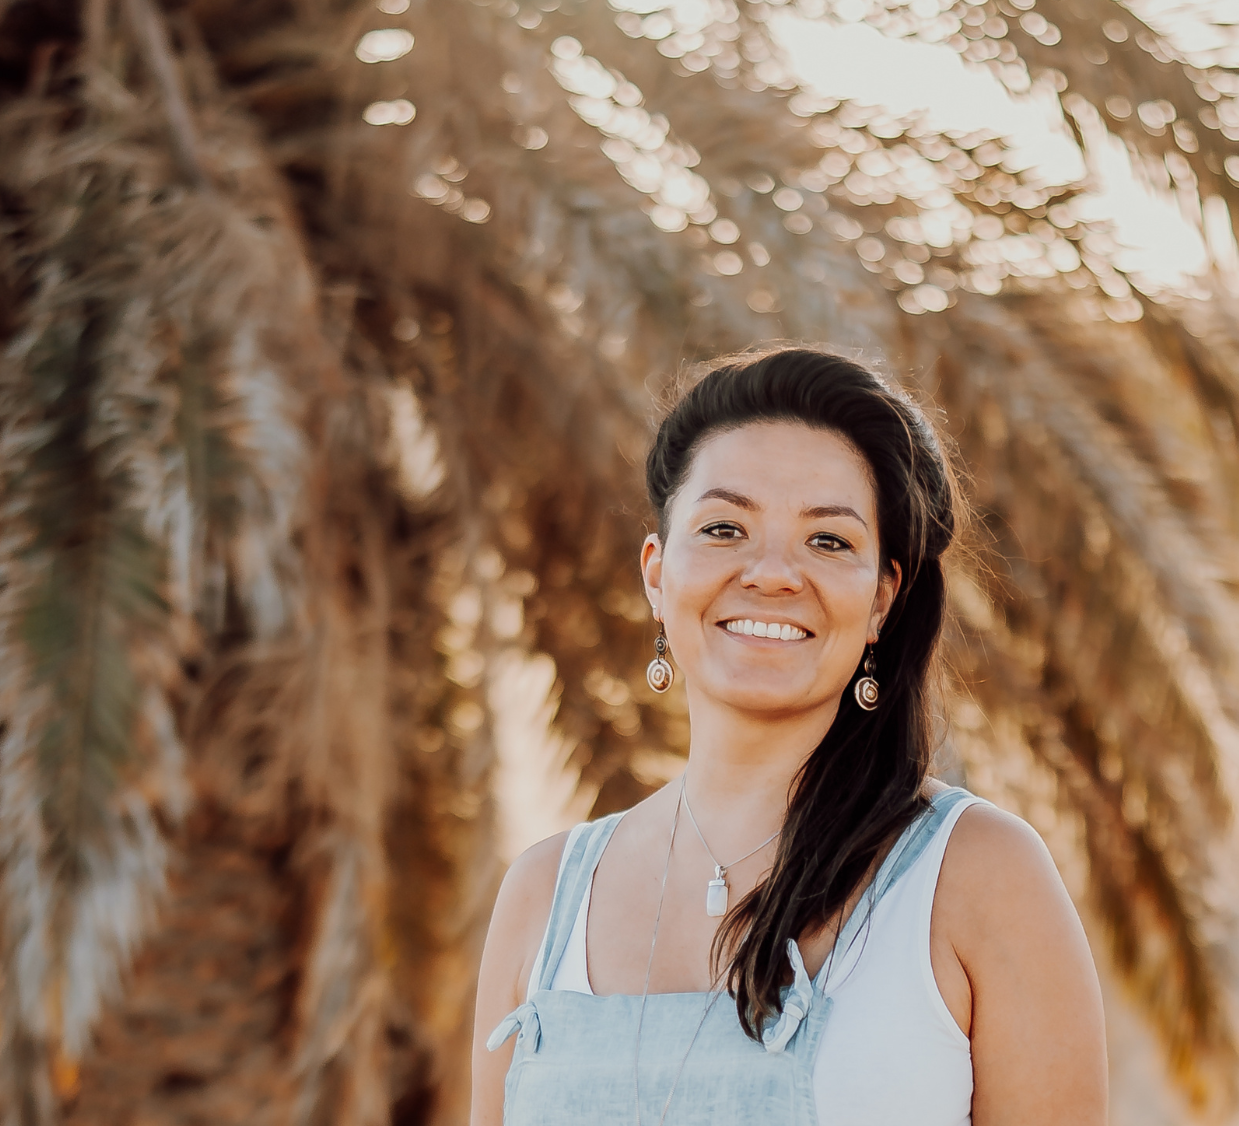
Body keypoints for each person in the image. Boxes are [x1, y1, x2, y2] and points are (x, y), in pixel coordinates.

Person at [472, 346, 1108, 1126]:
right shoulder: (543, 898)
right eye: (724, 528)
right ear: (656, 573)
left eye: (828, 540)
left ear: (881, 600)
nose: (772, 572)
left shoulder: (975, 877)